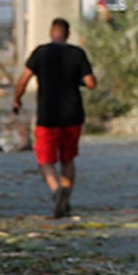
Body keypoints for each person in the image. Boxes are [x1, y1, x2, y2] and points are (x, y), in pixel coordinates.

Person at [11, 18, 96, 219]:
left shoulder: (41, 53)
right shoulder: (77, 53)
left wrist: (16, 100)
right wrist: (76, 80)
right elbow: (91, 83)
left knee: (45, 160)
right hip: (73, 114)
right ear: (68, 33)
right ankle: (65, 201)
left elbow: (23, 80)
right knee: (68, 159)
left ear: (51, 32)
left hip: (48, 115)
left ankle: (57, 191)